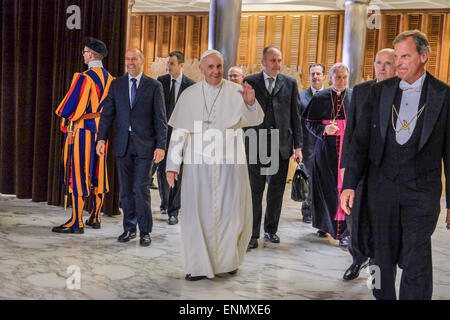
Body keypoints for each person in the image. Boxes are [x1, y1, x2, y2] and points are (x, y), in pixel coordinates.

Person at [341, 30, 450, 300]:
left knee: (417, 258)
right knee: (380, 255)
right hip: (382, 189)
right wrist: (349, 184)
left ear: (424, 56)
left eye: (406, 56)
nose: (398, 62)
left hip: (421, 192)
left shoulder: (443, 95)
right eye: (396, 56)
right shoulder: (378, 92)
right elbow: (360, 141)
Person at [166, 49, 264, 281]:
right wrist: (172, 165)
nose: (215, 71)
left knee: (232, 212)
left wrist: (250, 104)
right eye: (210, 67)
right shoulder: (189, 95)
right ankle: (198, 265)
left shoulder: (237, 91)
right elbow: (179, 132)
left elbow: (255, 119)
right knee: (197, 213)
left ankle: (228, 261)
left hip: (230, 164)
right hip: (198, 166)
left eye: (219, 66)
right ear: (201, 69)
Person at [96, 48, 167, 247]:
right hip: (122, 145)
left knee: (140, 188)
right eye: (127, 59)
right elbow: (107, 114)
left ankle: (145, 231)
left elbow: (161, 118)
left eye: (134, 59)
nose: (130, 62)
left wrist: (161, 146)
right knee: (126, 190)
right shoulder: (116, 85)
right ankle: (129, 228)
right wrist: (101, 139)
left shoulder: (154, 86)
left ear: (142, 61)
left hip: (145, 146)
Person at [340, 48, 396, 281]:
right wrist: (345, 164)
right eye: (378, 63)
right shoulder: (361, 91)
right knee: (355, 216)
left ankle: (377, 268)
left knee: (380, 220)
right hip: (360, 166)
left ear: (397, 66)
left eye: (387, 63)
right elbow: (351, 130)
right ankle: (357, 258)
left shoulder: (402, 93)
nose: (381, 67)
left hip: (387, 170)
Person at [52, 37, 113, 234]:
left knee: (78, 172)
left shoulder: (84, 77)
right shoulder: (111, 79)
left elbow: (70, 108)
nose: (83, 54)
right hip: (102, 131)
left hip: (84, 130)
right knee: (98, 171)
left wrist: (65, 119)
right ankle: (95, 216)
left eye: (85, 51)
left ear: (92, 55)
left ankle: (76, 221)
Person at [244, 46, 303, 249]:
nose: (277, 64)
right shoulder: (250, 81)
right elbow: (243, 113)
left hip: (280, 144)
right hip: (256, 142)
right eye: (273, 60)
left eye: (279, 60)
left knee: (276, 191)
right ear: (263, 62)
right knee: (255, 191)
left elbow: (296, 116)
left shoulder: (290, 83)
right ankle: (252, 234)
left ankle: (270, 230)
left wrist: (298, 146)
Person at [303, 63, 352, 246]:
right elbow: (308, 123)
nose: (341, 81)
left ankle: (343, 232)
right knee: (326, 190)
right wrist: (324, 129)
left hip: (347, 153)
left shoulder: (354, 96)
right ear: (330, 78)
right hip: (325, 152)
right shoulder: (321, 97)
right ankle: (325, 224)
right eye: (337, 77)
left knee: (344, 190)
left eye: (344, 77)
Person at [156, 51, 195, 225]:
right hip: (162, 133)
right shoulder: (160, 82)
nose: (168, 67)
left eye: (172, 63)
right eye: (167, 63)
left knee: (176, 171)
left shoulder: (191, 86)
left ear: (181, 65)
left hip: (180, 134)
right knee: (162, 169)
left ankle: (174, 210)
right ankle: (164, 202)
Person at [299, 63, 326, 224]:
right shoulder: (301, 97)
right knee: (307, 178)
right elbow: (297, 123)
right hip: (307, 145)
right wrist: (298, 146)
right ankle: (307, 211)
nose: (315, 76)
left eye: (318, 73)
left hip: (325, 145)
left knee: (324, 180)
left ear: (324, 76)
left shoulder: (330, 95)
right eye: (312, 74)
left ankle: (322, 213)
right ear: (309, 76)